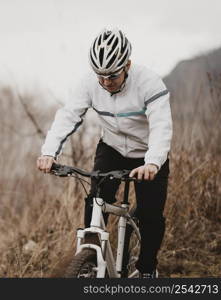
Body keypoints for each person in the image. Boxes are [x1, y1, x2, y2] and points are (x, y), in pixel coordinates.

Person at [37, 28, 173, 278]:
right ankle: (91, 260)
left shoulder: (149, 83)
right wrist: (49, 153)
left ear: (127, 65)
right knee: (95, 201)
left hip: (147, 154)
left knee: (150, 215)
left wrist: (153, 163)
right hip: (111, 149)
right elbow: (68, 116)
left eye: (112, 75)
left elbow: (161, 128)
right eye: (100, 76)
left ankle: (146, 270)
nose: (106, 82)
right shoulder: (90, 83)